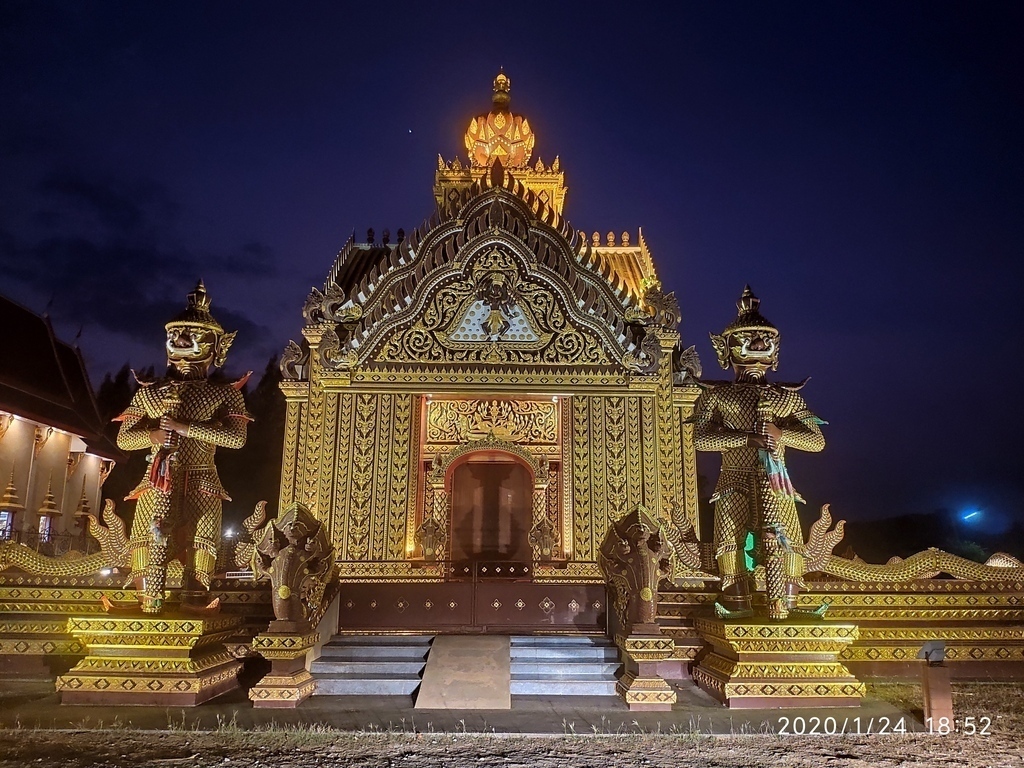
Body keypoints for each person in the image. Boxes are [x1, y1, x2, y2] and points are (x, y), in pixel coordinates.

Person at [116, 281, 250, 613]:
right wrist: (154, 437)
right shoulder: (151, 392)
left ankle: (194, 601)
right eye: (175, 334)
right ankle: (148, 603)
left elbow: (236, 438)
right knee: (149, 545)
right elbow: (123, 439)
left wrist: (185, 428)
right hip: (158, 480)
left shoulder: (224, 393)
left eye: (193, 335)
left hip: (202, 482)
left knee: (201, 551)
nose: (180, 341)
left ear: (218, 348)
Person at [693, 286, 825, 620]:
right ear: (726, 351)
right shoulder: (718, 397)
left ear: (775, 350)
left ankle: (788, 602)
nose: (756, 346)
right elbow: (701, 439)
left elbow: (817, 441)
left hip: (776, 479)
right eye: (747, 339)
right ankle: (737, 600)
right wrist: (746, 438)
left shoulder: (788, 398)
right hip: (734, 478)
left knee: (789, 542)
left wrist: (781, 434)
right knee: (729, 540)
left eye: (764, 340)